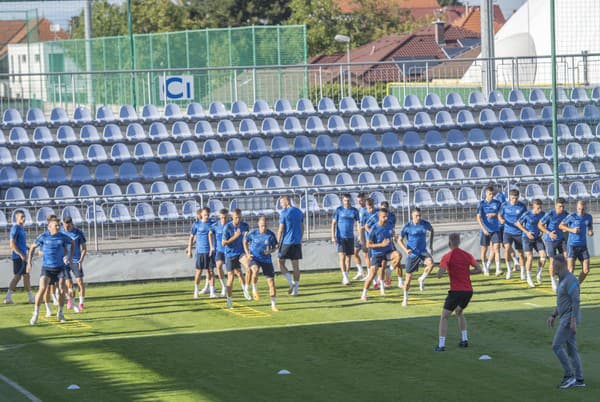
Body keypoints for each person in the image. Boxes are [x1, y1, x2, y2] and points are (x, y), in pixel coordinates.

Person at [434, 233, 481, 351]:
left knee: (444, 317)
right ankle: (464, 340)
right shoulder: (467, 255)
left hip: (456, 291)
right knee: (459, 312)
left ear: (449, 242)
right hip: (468, 291)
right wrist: (467, 273)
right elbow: (479, 269)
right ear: (459, 242)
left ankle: (441, 345)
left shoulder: (447, 256)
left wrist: (436, 270)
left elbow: (439, 274)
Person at [547, 255, 585, 388]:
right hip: (565, 318)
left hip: (569, 320)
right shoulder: (561, 280)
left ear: (561, 265)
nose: (553, 268)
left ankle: (569, 375)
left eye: (554, 265)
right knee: (572, 350)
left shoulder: (571, 280)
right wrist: (553, 315)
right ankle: (580, 380)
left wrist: (573, 320)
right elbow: (562, 302)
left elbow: (576, 301)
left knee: (556, 346)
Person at [27, 217, 74, 325]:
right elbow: (32, 247)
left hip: (59, 268)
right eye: (56, 226)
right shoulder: (43, 236)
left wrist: (69, 257)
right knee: (42, 289)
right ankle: (36, 314)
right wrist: (29, 262)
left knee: (62, 290)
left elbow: (72, 242)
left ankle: (60, 313)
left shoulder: (62, 237)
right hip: (47, 268)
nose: (58, 227)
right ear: (49, 227)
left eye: (59, 225)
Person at [360, 209, 400, 301]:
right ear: (379, 217)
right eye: (384, 217)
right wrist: (381, 245)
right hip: (377, 253)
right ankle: (363, 294)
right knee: (373, 274)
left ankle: (389, 272)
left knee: (398, 255)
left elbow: (391, 233)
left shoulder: (389, 225)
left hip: (387, 252)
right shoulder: (374, 228)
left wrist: (394, 237)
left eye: (387, 216)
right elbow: (368, 245)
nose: (386, 218)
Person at [398, 207, 434, 306]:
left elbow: (432, 230)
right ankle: (405, 298)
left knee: (431, 264)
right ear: (412, 216)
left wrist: (430, 245)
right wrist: (406, 250)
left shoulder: (425, 224)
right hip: (412, 254)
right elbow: (399, 240)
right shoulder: (407, 226)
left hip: (422, 252)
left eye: (419, 215)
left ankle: (421, 279)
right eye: (416, 216)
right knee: (408, 278)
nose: (418, 218)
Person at [244, 215, 279, 311]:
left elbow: (276, 246)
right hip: (255, 258)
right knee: (255, 270)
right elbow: (245, 242)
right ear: (258, 224)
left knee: (271, 282)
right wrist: (247, 254)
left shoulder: (270, 235)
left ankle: (273, 305)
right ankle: (254, 289)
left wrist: (270, 251)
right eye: (262, 225)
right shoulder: (253, 233)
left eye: (265, 226)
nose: (263, 228)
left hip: (266, 260)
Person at [3, 210, 35, 304]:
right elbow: (12, 244)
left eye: (24, 216)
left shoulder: (21, 228)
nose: (24, 219)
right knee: (18, 277)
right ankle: (7, 298)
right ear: (16, 218)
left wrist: (26, 248)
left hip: (23, 256)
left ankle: (31, 298)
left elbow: (19, 243)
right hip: (19, 257)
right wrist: (21, 254)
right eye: (21, 217)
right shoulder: (15, 228)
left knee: (26, 276)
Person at [559, 200, 594, 284]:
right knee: (570, 270)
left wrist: (590, 231)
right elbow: (560, 225)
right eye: (579, 209)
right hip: (572, 246)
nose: (580, 211)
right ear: (576, 208)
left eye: (582, 209)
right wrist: (571, 230)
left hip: (583, 246)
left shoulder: (588, 217)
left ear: (585, 208)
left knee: (586, 270)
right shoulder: (572, 216)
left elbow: (589, 225)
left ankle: (576, 285)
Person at [223, 208, 251, 308]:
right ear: (232, 217)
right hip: (230, 254)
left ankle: (246, 290)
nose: (238, 220)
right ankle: (229, 300)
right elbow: (224, 243)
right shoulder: (228, 227)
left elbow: (246, 240)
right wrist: (235, 236)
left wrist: (248, 253)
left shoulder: (245, 226)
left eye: (239, 217)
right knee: (231, 277)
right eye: (236, 218)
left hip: (241, 252)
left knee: (249, 268)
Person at [515, 199, 546, 288]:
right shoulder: (527, 214)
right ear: (533, 207)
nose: (539, 210)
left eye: (540, 208)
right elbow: (518, 223)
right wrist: (527, 232)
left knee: (543, 255)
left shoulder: (542, 214)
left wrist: (542, 231)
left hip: (537, 238)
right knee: (530, 257)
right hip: (527, 238)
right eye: (537, 208)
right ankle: (528, 277)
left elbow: (544, 224)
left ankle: (539, 273)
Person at [539, 197, 568, 292]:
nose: (562, 208)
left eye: (563, 206)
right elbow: (540, 225)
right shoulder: (550, 214)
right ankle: (553, 281)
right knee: (552, 261)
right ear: (556, 206)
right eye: (560, 206)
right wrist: (548, 233)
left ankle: (562, 279)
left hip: (561, 239)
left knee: (566, 258)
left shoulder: (566, 214)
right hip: (550, 240)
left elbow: (568, 224)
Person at [277, 196, 304, 296]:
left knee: (280, 263)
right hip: (296, 242)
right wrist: (299, 238)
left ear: (287, 201)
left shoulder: (284, 213)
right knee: (296, 266)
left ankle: (290, 282)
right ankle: (296, 289)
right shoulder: (299, 212)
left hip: (286, 242)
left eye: (281, 203)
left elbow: (280, 229)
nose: (280, 205)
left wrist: (277, 242)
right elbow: (302, 227)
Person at [331, 193, 360, 285]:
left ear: (351, 200)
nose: (346, 202)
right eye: (345, 200)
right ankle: (345, 277)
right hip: (340, 237)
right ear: (342, 201)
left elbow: (358, 223)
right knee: (342, 257)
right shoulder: (339, 210)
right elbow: (333, 224)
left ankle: (346, 276)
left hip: (350, 237)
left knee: (348, 258)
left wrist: (359, 234)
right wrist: (333, 236)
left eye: (348, 200)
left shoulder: (354, 211)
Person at [187, 207, 216, 298]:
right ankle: (196, 291)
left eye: (208, 215)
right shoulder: (196, 224)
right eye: (205, 215)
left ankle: (212, 292)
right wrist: (189, 249)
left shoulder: (212, 224)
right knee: (199, 272)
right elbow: (192, 238)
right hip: (200, 251)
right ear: (201, 215)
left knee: (210, 271)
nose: (206, 216)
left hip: (210, 252)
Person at [498, 189, 527, 280]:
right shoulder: (504, 205)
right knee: (507, 249)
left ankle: (522, 272)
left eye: (516, 198)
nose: (514, 200)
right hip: (508, 231)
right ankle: (509, 270)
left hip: (519, 232)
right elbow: (499, 215)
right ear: (510, 197)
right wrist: (501, 219)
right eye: (513, 198)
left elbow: (526, 217)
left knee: (521, 254)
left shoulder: (522, 206)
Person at [61, 216, 87, 312]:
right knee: (69, 284)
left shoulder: (78, 232)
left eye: (68, 225)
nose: (66, 227)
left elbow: (84, 247)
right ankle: (70, 300)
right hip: (65, 262)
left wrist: (81, 260)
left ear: (71, 224)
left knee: (80, 282)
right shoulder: (60, 232)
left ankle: (81, 303)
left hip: (76, 261)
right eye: (65, 225)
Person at [476, 185, 502, 276]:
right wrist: (483, 229)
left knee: (497, 248)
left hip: (495, 229)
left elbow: (499, 214)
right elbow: (478, 218)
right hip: (485, 230)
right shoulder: (481, 203)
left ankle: (498, 269)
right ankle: (485, 267)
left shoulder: (497, 203)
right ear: (486, 194)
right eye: (490, 194)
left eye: (492, 194)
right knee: (484, 250)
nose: (491, 195)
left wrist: (495, 215)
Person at [211, 208, 229, 297]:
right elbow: (210, 234)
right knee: (218, 266)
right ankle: (224, 287)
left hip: (229, 251)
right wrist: (211, 246)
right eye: (222, 218)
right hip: (220, 250)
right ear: (219, 217)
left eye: (225, 218)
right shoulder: (215, 225)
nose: (223, 219)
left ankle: (245, 288)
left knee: (235, 271)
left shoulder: (231, 225)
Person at [353, 192, 368, 280]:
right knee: (355, 253)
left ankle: (369, 273)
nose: (360, 202)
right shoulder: (360, 210)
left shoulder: (367, 210)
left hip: (365, 236)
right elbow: (359, 223)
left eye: (361, 200)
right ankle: (361, 271)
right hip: (360, 235)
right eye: (358, 201)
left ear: (365, 199)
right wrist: (359, 234)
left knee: (366, 255)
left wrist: (362, 235)